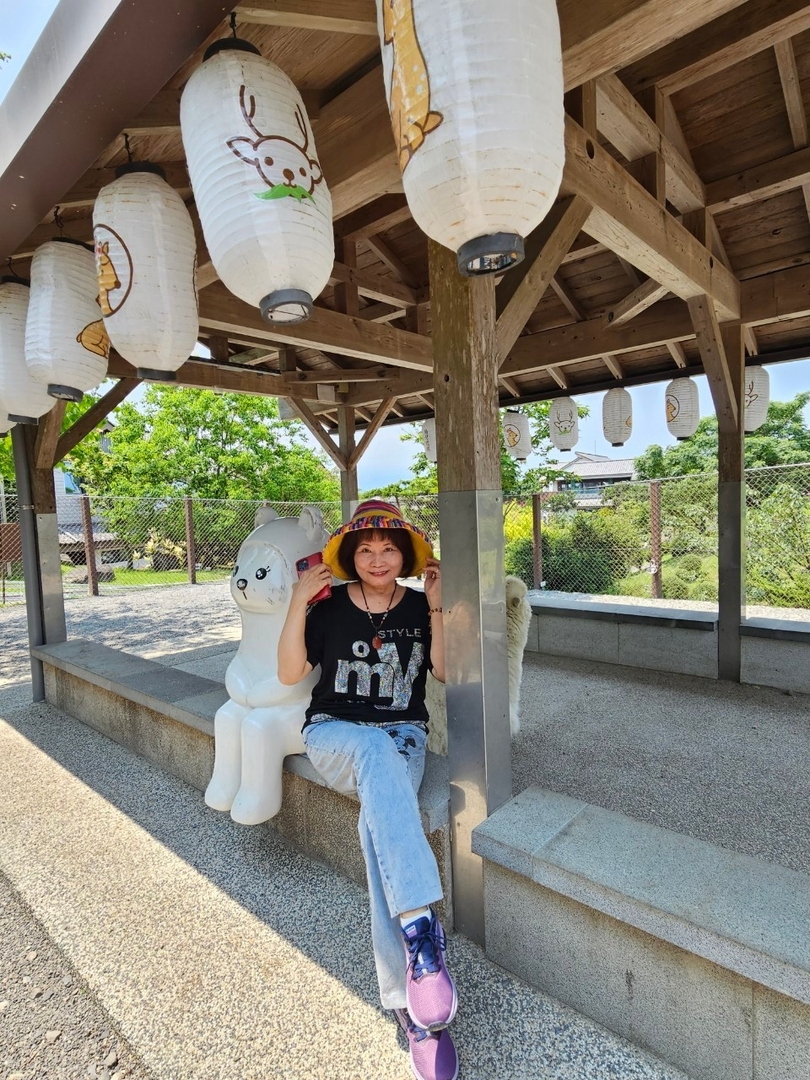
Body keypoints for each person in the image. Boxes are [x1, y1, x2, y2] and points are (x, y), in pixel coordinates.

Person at [277, 499, 459, 1080]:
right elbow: (289, 673)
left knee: (374, 822)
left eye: (388, 549)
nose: (377, 559)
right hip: (335, 736)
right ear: (349, 557)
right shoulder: (328, 606)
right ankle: (421, 931)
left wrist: (436, 607)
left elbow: (445, 671)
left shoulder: (418, 605)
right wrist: (297, 602)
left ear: (404, 555)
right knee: (374, 753)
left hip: (402, 737)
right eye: (365, 550)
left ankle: (412, 1010)